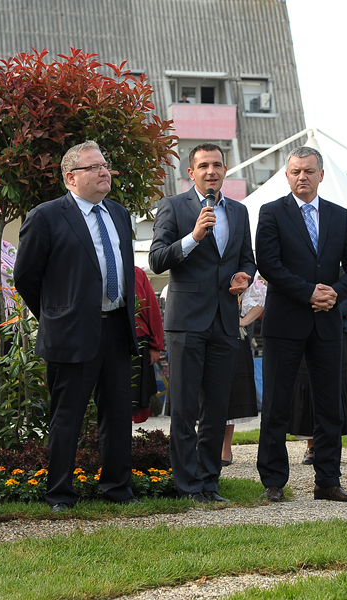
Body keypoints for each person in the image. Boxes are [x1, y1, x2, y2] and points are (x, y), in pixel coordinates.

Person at [14, 140, 140, 511]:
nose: (104, 172)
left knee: (118, 414)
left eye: (105, 165)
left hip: (116, 327)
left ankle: (117, 488)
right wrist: (56, 315)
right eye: (94, 167)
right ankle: (60, 494)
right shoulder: (47, 216)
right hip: (71, 333)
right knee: (67, 416)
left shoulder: (119, 213)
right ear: (71, 178)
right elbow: (26, 276)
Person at [255, 145, 347, 503]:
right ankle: (274, 481)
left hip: (326, 323)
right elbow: (269, 264)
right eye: (295, 171)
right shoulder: (272, 213)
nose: (301, 177)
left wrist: (335, 293)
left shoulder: (339, 215)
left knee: (330, 406)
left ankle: (328, 481)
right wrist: (309, 293)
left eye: (308, 171)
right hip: (285, 323)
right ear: (287, 176)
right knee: (276, 404)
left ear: (320, 175)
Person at [149, 142, 256, 503]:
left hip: (225, 321)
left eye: (217, 165)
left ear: (225, 170)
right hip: (186, 322)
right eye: (204, 165)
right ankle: (188, 485)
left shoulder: (239, 211)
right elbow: (157, 259)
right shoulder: (173, 206)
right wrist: (193, 238)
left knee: (217, 408)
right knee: (184, 408)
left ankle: (210, 482)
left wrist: (244, 276)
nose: (211, 171)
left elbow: (247, 258)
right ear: (191, 172)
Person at [289, 288, 347, 465]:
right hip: (305, 334)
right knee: (308, 386)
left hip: (337, 333)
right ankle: (312, 446)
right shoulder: (302, 278)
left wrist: (329, 305)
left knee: (336, 389)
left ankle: (332, 447)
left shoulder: (341, 275)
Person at [221, 276, 266, 466]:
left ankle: (225, 448)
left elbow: (261, 299)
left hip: (232, 338)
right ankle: (208, 445)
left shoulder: (243, 275)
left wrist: (243, 321)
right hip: (205, 335)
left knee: (230, 393)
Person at [132, 266, 164, 424]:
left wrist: (155, 345)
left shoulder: (136, 273)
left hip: (138, 338)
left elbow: (151, 308)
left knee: (136, 395)